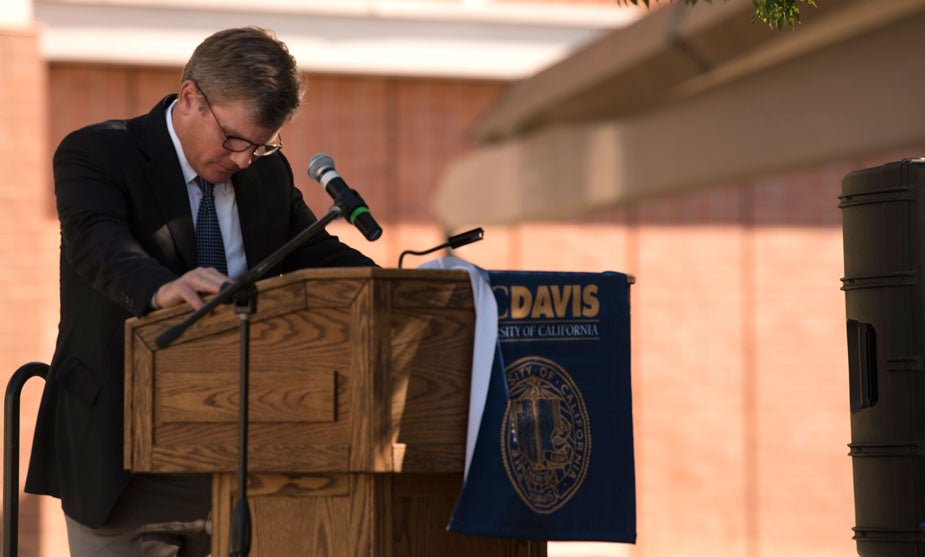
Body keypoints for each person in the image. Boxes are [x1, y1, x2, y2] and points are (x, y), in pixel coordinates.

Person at [25, 27, 376, 556]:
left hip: (239, 461)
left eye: (261, 146)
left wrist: (411, 283)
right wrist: (163, 288)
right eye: (234, 140)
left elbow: (317, 256)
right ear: (190, 97)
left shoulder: (267, 174)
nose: (242, 160)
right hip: (122, 456)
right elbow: (97, 243)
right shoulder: (98, 152)